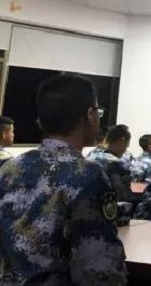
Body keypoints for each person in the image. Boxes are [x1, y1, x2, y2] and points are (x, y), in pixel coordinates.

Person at [0, 74, 127, 284]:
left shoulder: (10, 168)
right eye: (98, 111)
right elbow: (100, 270)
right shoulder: (88, 175)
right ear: (90, 115)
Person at [91, 124, 133, 202]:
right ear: (122, 141)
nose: (125, 150)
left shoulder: (91, 155)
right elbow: (124, 195)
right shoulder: (116, 163)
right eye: (126, 146)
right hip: (107, 205)